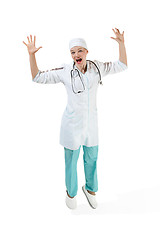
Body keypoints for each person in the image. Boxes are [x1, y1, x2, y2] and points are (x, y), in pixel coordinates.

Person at [23, 28, 128, 210]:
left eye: (80, 51)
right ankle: (71, 193)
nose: (76, 55)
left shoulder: (97, 68)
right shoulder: (65, 71)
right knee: (71, 161)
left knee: (92, 159)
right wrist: (32, 55)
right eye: (73, 52)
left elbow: (122, 65)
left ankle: (91, 190)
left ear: (87, 52)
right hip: (72, 126)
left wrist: (121, 44)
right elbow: (37, 77)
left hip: (91, 124)